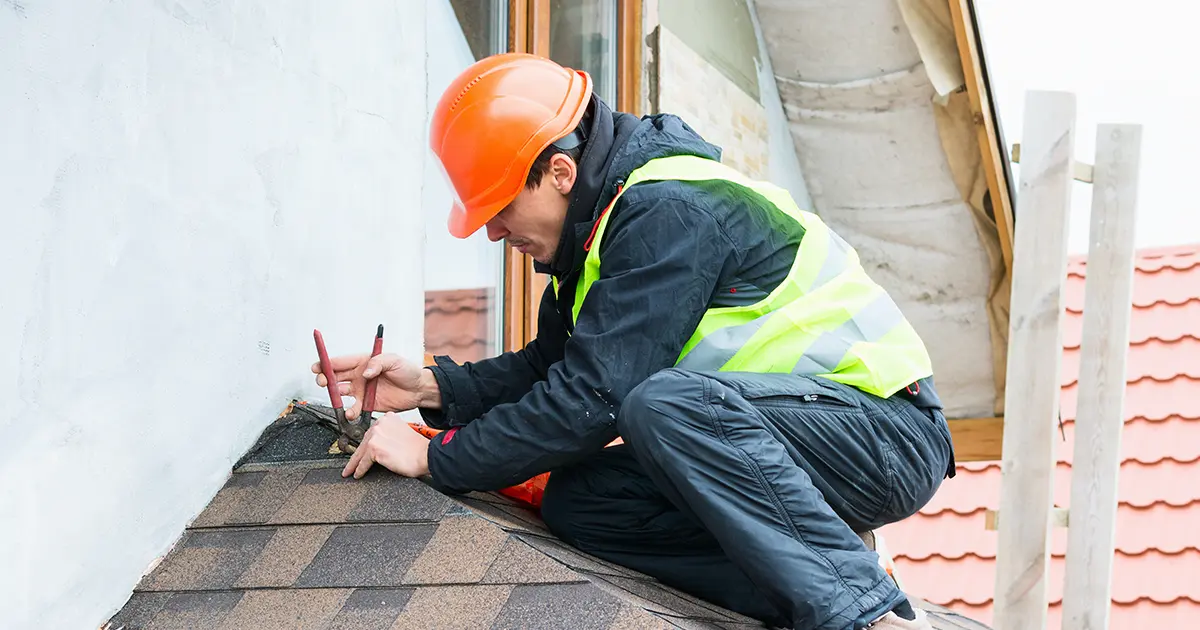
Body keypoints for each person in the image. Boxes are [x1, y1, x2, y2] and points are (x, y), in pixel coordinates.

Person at [313, 53, 955, 630]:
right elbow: (554, 371)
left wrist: (437, 459)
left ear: (561, 171)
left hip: (885, 433)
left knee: (662, 404)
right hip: (784, 446)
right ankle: (815, 581)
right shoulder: (595, 243)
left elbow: (592, 400)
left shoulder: (667, 211)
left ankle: (867, 617)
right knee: (582, 503)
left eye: (501, 207)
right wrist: (429, 386)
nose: (493, 232)